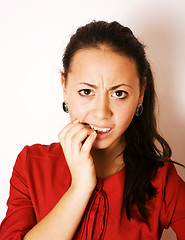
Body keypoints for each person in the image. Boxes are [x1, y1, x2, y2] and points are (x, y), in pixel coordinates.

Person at [0, 20, 185, 240]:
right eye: (87, 91)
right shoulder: (31, 165)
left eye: (119, 94)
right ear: (65, 87)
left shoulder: (161, 179)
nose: (101, 112)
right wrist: (79, 188)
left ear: (140, 93)